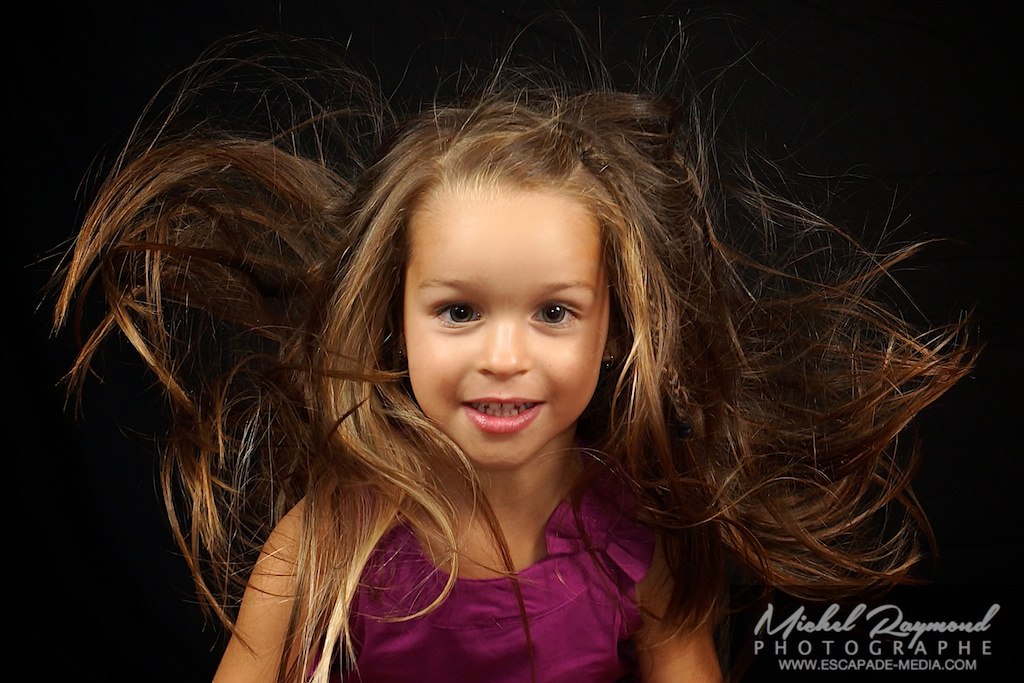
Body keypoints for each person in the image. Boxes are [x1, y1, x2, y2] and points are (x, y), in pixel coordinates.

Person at [51, 31, 975, 683]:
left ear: (615, 325)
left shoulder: (639, 546)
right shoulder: (326, 536)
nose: (504, 355)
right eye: (458, 310)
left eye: (554, 313)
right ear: (394, 318)